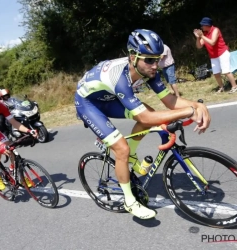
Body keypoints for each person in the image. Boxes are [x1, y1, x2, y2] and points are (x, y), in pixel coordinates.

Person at [75, 29, 211, 220]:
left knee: (148, 112)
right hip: (88, 104)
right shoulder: (120, 77)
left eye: (158, 59)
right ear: (133, 57)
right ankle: (129, 201)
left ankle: (131, 156)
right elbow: (146, 118)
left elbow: (170, 101)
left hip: (107, 98)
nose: (155, 66)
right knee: (121, 148)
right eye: (149, 60)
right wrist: (189, 112)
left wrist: (197, 105)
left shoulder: (148, 70)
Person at [193, 17, 237, 94]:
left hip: (222, 53)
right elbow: (199, 46)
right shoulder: (204, 34)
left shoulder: (215, 30)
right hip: (213, 56)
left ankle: (234, 86)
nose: (201, 27)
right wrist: (198, 38)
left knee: (226, 71)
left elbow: (212, 42)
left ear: (207, 25)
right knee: (216, 73)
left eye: (202, 25)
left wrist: (202, 36)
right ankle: (221, 87)